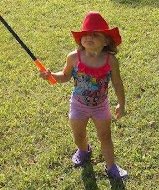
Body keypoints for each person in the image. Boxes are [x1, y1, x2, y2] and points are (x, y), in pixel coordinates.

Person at [39, 11, 127, 180]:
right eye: (85, 34)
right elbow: (64, 76)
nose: (89, 37)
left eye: (95, 35)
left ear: (106, 40)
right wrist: (51, 76)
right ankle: (84, 150)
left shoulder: (110, 61)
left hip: (101, 106)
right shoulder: (74, 58)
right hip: (78, 105)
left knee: (105, 136)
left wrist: (121, 104)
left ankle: (111, 167)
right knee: (78, 135)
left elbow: (117, 83)